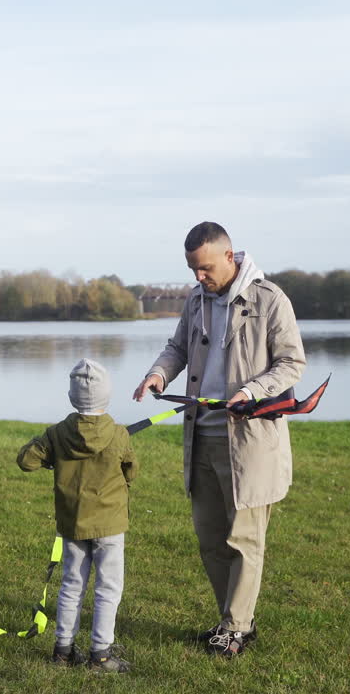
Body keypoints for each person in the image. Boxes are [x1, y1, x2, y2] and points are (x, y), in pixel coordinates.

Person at [132, 221, 305, 658]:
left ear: (230, 257)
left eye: (205, 268)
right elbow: (177, 349)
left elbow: (291, 363)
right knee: (210, 539)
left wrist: (251, 390)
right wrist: (157, 373)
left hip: (249, 441)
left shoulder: (270, 300)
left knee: (244, 538)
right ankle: (232, 620)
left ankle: (235, 627)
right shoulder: (196, 300)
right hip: (201, 436)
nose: (198, 278)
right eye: (193, 269)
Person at [18, 359, 138, 673]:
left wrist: (49, 454)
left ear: (72, 397)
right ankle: (100, 654)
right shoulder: (118, 433)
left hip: (72, 523)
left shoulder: (57, 433)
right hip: (109, 524)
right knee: (108, 588)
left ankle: (63, 651)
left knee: (72, 585)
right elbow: (131, 470)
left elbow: (27, 461)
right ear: (107, 396)